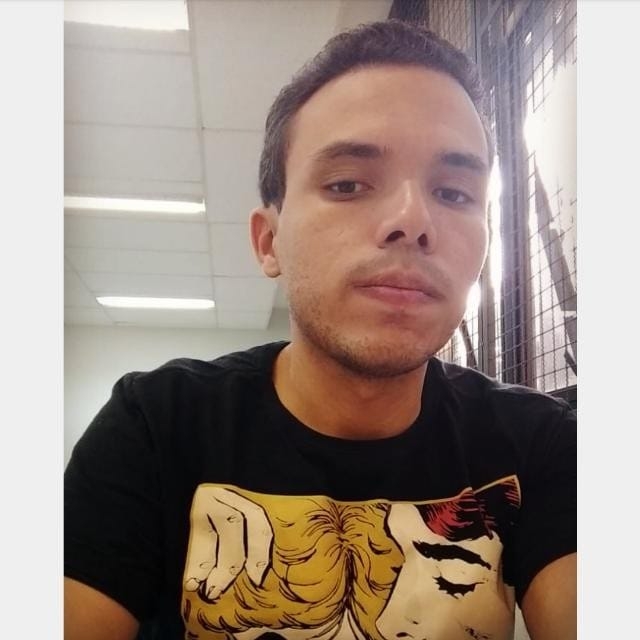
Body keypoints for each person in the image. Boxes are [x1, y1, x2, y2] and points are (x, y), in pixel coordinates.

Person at [64, 19, 577, 640]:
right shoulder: (156, 424)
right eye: (347, 184)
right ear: (268, 241)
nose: (413, 220)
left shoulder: (541, 442)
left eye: (454, 193)